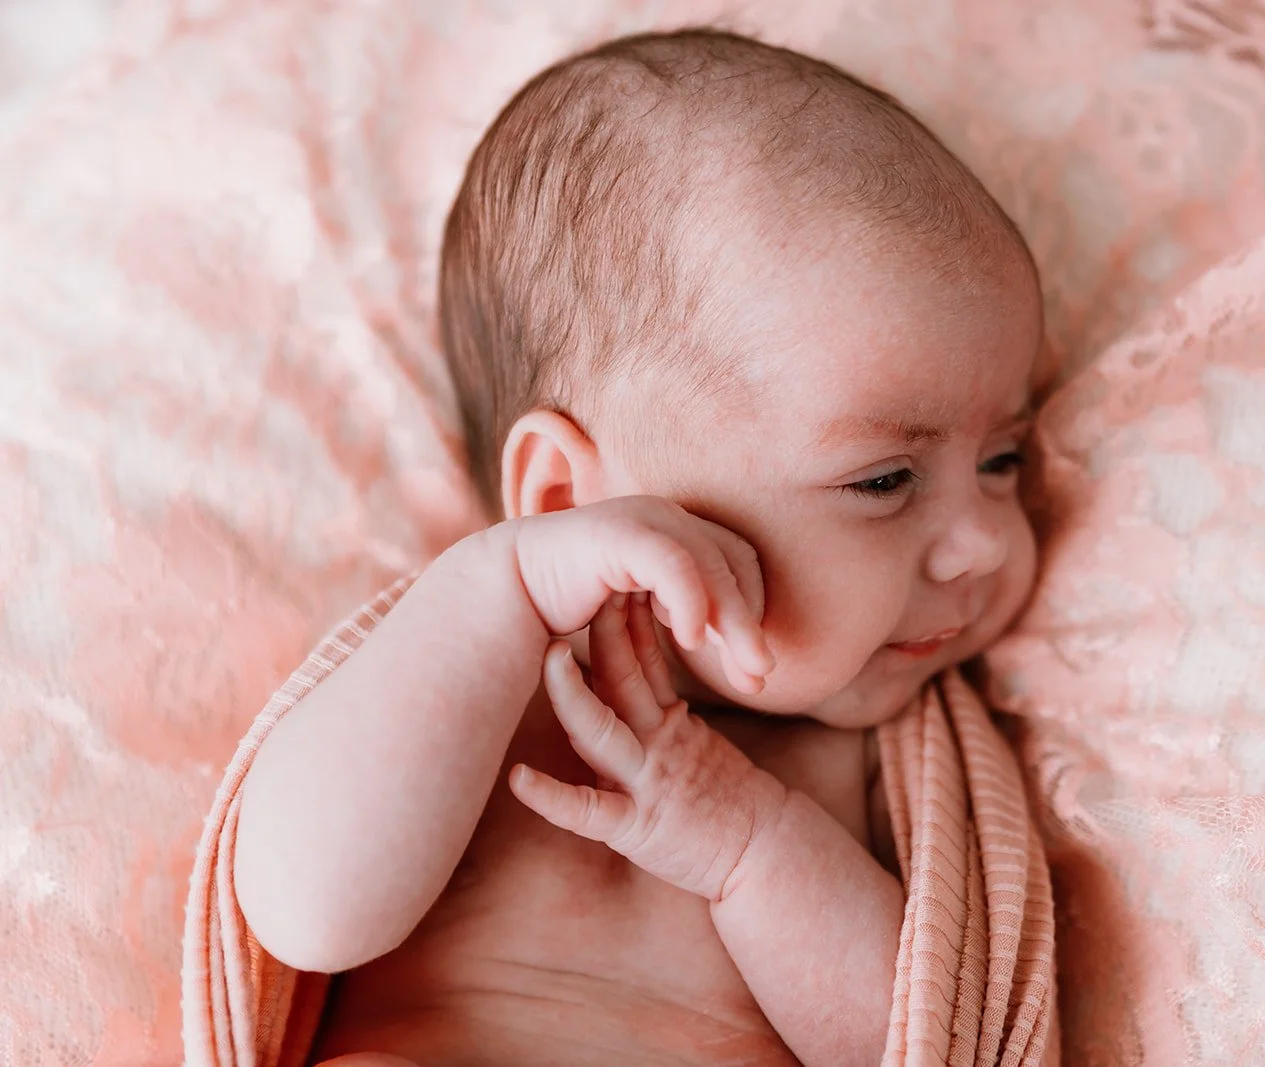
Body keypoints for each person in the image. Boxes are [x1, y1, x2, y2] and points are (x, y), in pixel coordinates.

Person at [232, 27, 1044, 1067]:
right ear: (568, 497)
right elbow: (305, 910)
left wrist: (750, 845)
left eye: (1004, 458)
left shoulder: (874, 762)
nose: (978, 541)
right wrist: (504, 584)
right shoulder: (481, 684)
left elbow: (931, 1041)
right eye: (883, 480)